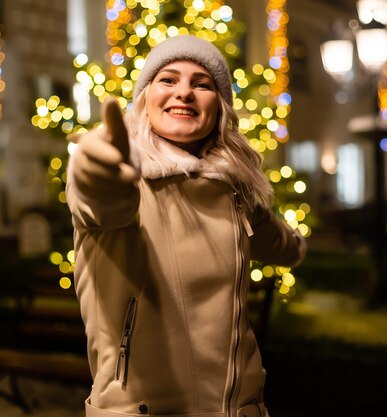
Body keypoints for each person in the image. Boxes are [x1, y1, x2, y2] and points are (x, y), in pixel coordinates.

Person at [66, 35, 306, 417]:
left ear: (220, 107)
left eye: (202, 84)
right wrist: (93, 169)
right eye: (168, 79)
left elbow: (277, 240)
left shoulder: (234, 188)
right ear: (145, 98)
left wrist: (298, 247)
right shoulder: (124, 177)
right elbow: (100, 200)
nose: (184, 93)